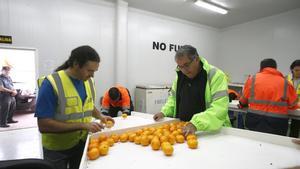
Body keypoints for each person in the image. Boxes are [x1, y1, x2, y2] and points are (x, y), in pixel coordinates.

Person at [35, 45, 114, 169]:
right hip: (57, 149)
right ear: (76, 64)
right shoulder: (51, 84)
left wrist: (100, 115)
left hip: (81, 143)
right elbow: (44, 125)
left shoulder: (88, 81)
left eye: (94, 71)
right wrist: (83, 125)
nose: (92, 75)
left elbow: (87, 105)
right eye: (89, 70)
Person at [153, 45, 231, 136]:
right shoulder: (180, 76)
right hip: (184, 130)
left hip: (211, 132)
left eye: (186, 65)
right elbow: (173, 99)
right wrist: (164, 112)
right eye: (180, 66)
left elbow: (220, 108)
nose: (184, 70)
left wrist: (196, 124)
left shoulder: (215, 75)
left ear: (196, 59)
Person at [239, 58, 298, 136]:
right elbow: (293, 104)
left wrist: (242, 104)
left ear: (261, 68)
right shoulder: (285, 82)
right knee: (274, 145)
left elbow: (243, 101)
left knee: (253, 143)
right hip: (277, 122)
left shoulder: (252, 79)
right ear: (275, 68)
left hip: (254, 119)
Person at [287, 60, 300, 138]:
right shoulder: (286, 78)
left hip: (298, 109)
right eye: (296, 70)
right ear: (292, 69)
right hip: (287, 107)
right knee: (283, 127)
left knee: (295, 128)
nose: (298, 72)